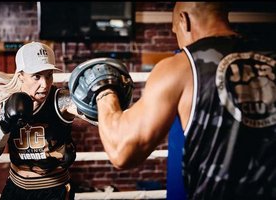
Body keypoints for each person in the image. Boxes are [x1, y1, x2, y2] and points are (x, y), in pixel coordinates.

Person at [80, 2, 276, 200]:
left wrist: (104, 90)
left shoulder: (181, 67)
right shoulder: (271, 56)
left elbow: (121, 150)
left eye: (175, 31)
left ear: (184, 20)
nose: (177, 40)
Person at [0, 41, 83, 200]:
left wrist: (101, 97)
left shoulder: (61, 100)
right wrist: (4, 122)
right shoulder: (3, 104)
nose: (45, 84)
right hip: (16, 188)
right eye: (37, 76)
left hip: (55, 191)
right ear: (20, 75)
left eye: (49, 75)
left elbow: (94, 116)